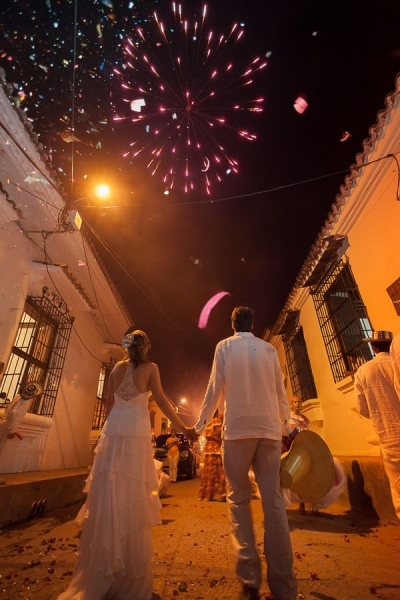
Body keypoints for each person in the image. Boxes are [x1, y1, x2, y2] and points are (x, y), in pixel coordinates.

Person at [58, 329, 189, 600]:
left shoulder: (116, 369)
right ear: (146, 347)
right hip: (135, 434)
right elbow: (162, 400)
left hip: (115, 430)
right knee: (131, 492)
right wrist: (182, 427)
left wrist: (107, 430)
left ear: (126, 347)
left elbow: (108, 402)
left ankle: (102, 572)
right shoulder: (151, 368)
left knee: (109, 489)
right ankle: (127, 578)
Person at [193, 307, 297, 600]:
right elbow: (280, 391)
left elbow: (214, 388)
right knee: (273, 502)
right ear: (253, 324)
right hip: (268, 430)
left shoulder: (224, 347)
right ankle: (284, 586)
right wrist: (286, 425)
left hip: (237, 431)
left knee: (238, 499)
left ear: (232, 325)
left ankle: (250, 579)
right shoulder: (268, 350)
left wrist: (199, 424)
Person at [354, 330, 400, 521]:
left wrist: (377, 413)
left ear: (373, 347)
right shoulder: (396, 363)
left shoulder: (363, 371)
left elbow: (362, 408)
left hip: (388, 435)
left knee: (397, 485)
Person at [282, 397, 346, 515]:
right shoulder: (289, 417)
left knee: (314, 477)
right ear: (292, 404)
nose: (298, 404)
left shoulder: (305, 418)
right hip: (296, 449)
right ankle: (302, 505)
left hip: (308, 447)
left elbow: (308, 432)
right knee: (300, 479)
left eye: (300, 402)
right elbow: (288, 434)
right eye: (296, 402)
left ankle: (314, 507)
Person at [198, 410, 226, 501]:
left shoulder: (208, 423)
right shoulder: (218, 421)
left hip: (208, 448)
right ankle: (219, 494)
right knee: (218, 470)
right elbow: (220, 434)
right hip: (216, 447)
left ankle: (207, 495)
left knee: (208, 471)